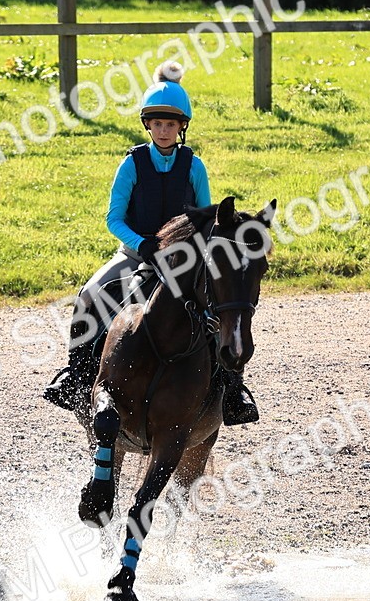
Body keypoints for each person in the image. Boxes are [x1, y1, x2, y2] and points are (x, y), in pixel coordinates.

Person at [42, 61, 259, 425]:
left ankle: (232, 388)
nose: (163, 130)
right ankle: (75, 374)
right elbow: (114, 218)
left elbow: (205, 218)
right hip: (134, 254)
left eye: (170, 124)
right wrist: (142, 246)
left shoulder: (194, 166)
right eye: (157, 123)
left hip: (184, 259)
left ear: (181, 127)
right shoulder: (131, 164)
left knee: (220, 303)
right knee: (90, 294)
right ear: (147, 124)